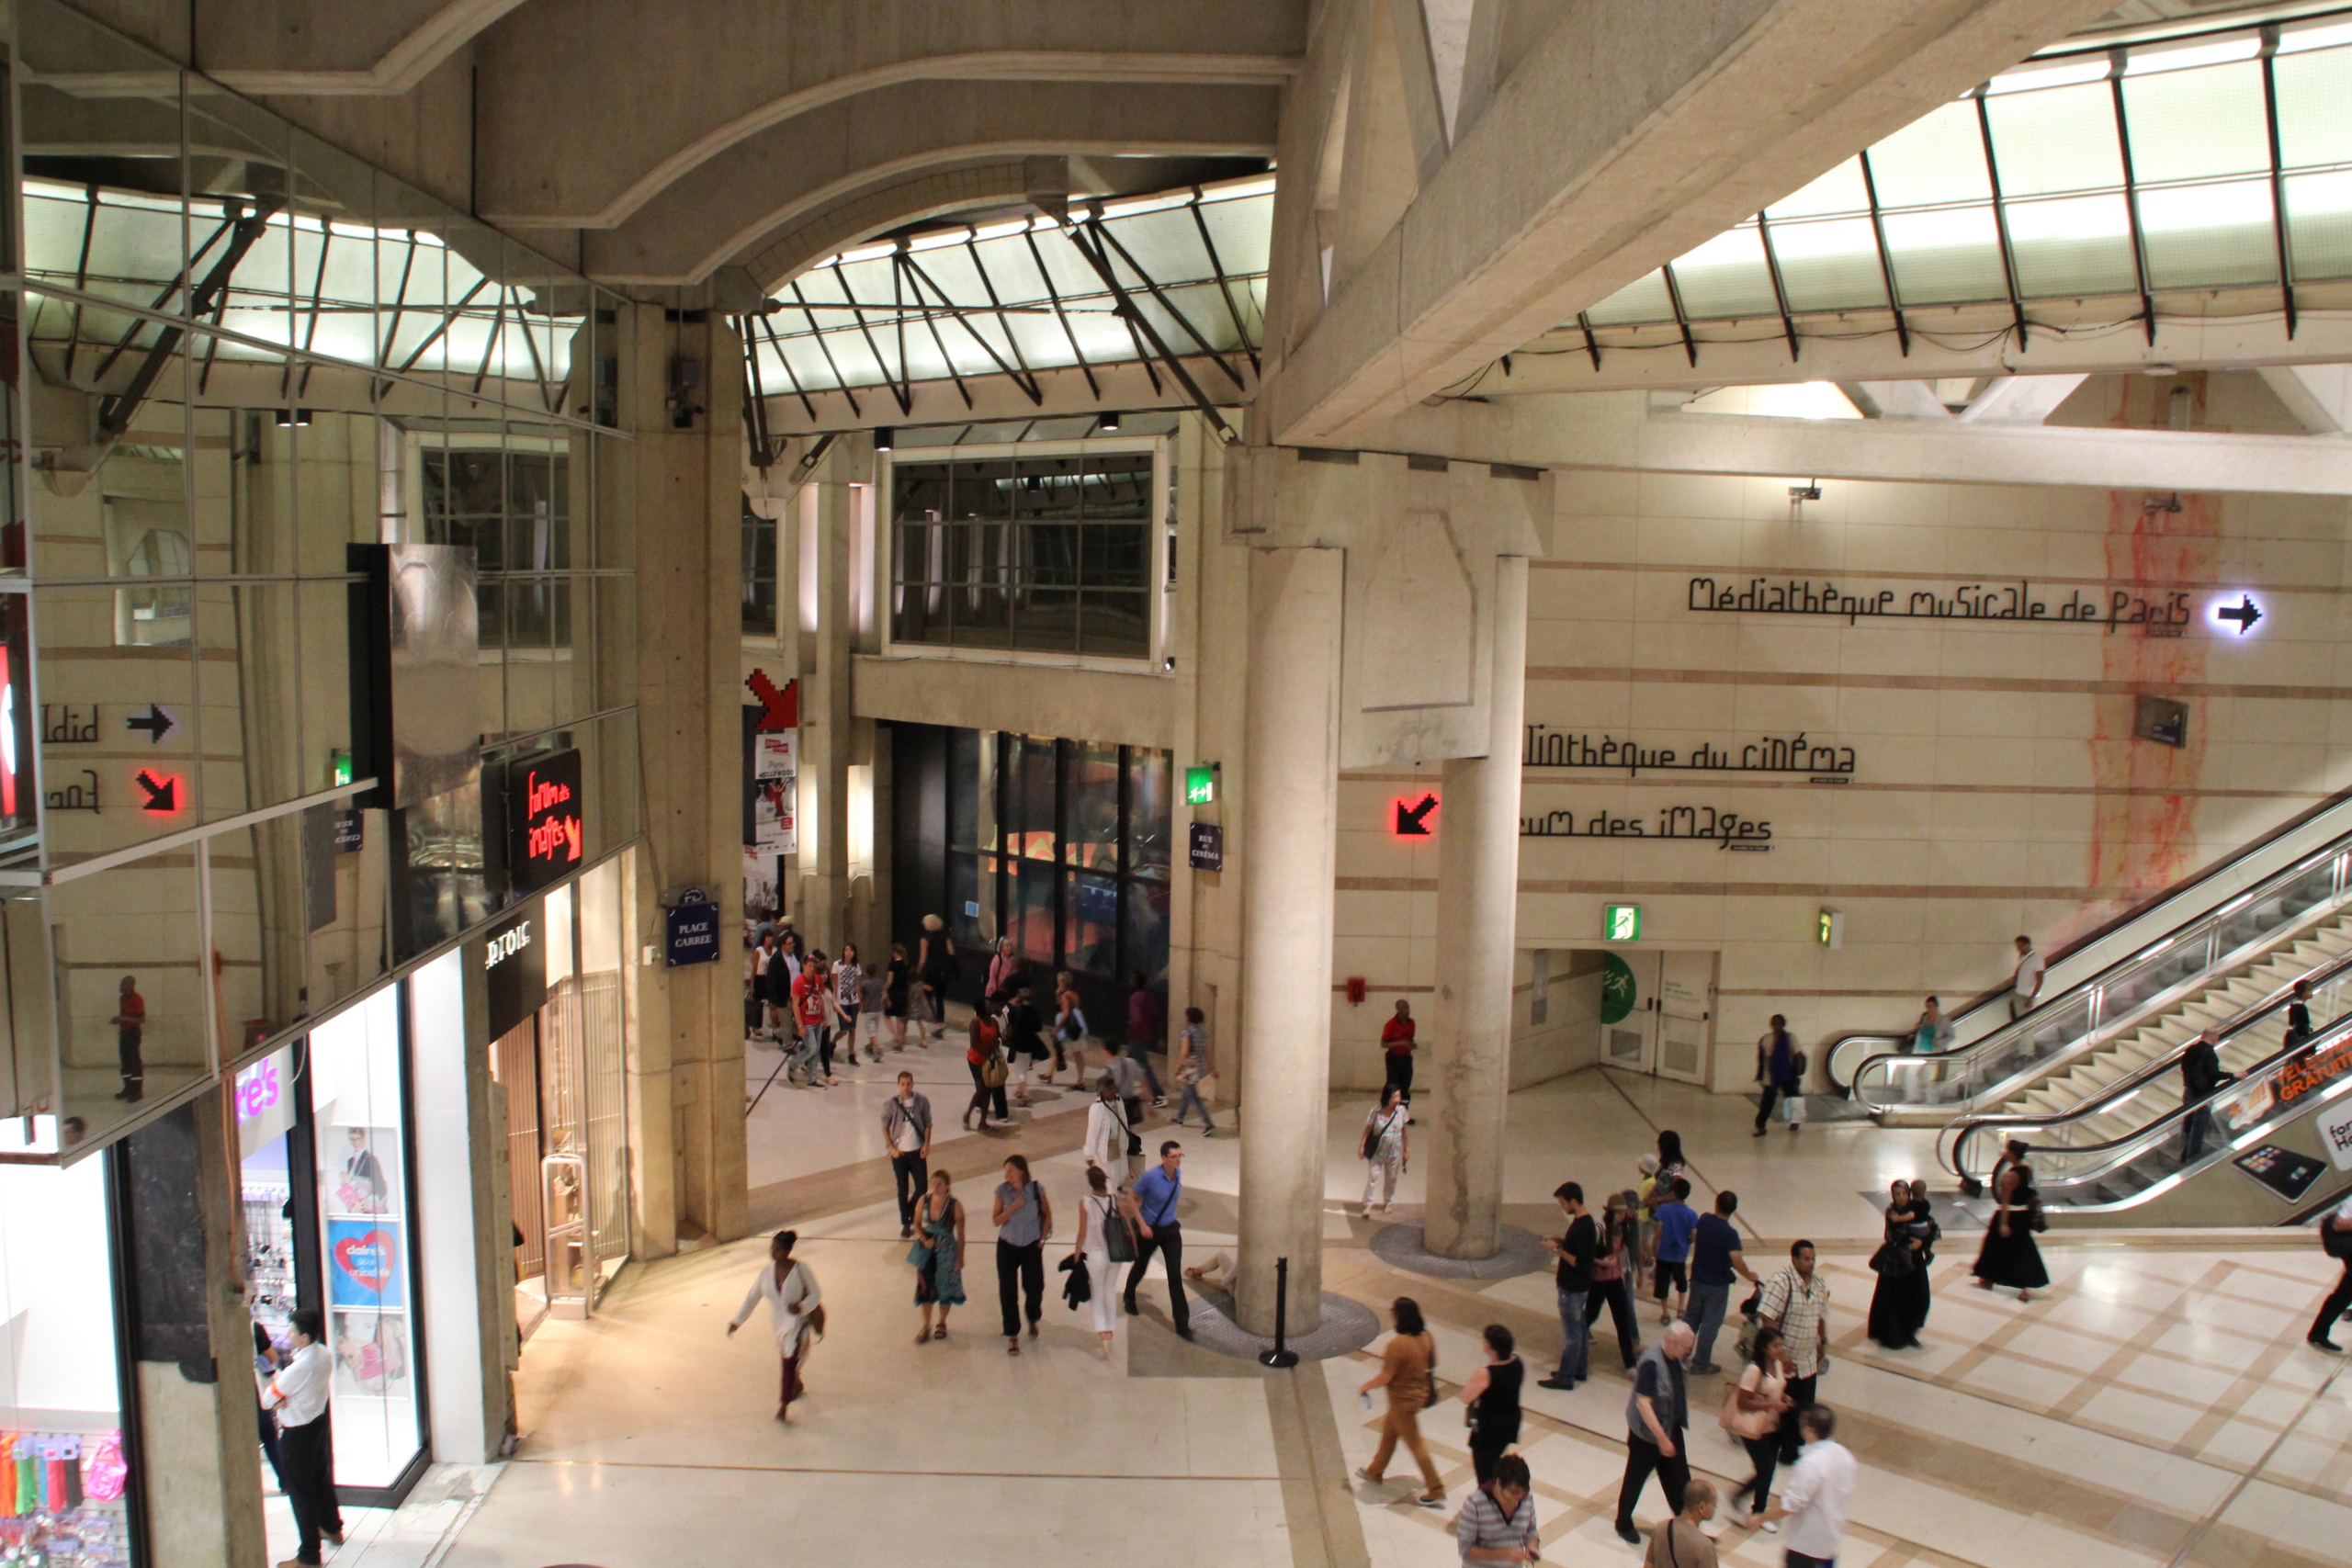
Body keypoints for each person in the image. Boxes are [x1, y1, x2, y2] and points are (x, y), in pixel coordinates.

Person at [261, 1307, 343, 1566]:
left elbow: (267, 1400)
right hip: (317, 1425)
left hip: (297, 1434)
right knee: (320, 1478)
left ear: (304, 1337)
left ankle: (309, 1555)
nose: (288, 1334)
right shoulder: (325, 1354)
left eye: (292, 1330)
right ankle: (332, 1528)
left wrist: (278, 1402)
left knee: (300, 1492)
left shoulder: (297, 1369)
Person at [1354, 1296, 1445, 1508]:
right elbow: (1432, 1363)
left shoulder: (1397, 1345)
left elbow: (1386, 1376)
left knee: (1416, 1446)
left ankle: (1436, 1489)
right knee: (1389, 1433)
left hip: (1402, 1401)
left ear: (1399, 1317)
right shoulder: (1426, 1336)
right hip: (1417, 1395)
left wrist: (1366, 1386)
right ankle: (1375, 1471)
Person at [728, 1230, 823, 1422]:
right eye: (772, 1248)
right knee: (789, 1356)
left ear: (787, 1251)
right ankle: (796, 1382)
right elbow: (752, 1297)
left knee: (787, 1361)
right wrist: (737, 1321)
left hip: (797, 1324)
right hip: (778, 1325)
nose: (773, 1252)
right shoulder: (766, 1273)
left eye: (778, 1249)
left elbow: (816, 1294)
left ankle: (783, 1406)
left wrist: (802, 1307)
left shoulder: (801, 1270)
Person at [1613, 1321, 1694, 1545]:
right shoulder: (1651, 1362)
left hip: (1671, 1428)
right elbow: (1643, 1404)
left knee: (1680, 1481)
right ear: (1671, 1341)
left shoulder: (1674, 1358)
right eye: (1685, 1348)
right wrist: (1662, 1440)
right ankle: (1623, 1523)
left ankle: (1687, 1527)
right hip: (1648, 1437)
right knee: (1635, 1480)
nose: (1687, 1353)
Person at [1758, 1241, 1830, 1462]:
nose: (1811, 1263)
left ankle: (1798, 1446)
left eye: (1813, 1259)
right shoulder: (1781, 1282)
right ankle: (1785, 1448)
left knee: (1804, 1406)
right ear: (1794, 1259)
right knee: (1783, 1406)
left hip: (1807, 1359)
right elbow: (1768, 1318)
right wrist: (1780, 1355)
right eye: (1806, 1259)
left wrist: (1821, 1343)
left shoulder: (1818, 1282)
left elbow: (1820, 1314)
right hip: (1784, 1358)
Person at [1757, 1405, 1857, 1567]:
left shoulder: (1810, 1464)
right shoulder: (1845, 1456)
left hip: (1806, 1545)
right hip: (1830, 1540)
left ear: (1811, 1431)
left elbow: (1792, 1504)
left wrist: (1761, 1518)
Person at [1722, 1325, 1792, 1530]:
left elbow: (1777, 1389)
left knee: (1767, 1470)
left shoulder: (1777, 1365)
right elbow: (1743, 1402)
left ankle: (1750, 1504)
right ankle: (1753, 1507)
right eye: (1775, 1345)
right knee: (1766, 1468)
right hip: (1754, 1427)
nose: (1779, 1349)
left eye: (1781, 1345)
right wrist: (1772, 1404)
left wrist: (1785, 1398)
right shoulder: (1754, 1370)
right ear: (1763, 1347)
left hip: (1773, 1424)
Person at [1685, 1189, 1758, 1373]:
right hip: (1717, 1285)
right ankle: (1701, 1363)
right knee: (1710, 1324)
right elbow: (1736, 1259)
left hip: (1697, 1279)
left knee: (1691, 1319)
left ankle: (1678, 1353)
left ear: (1716, 1204)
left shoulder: (1704, 1220)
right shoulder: (1729, 1233)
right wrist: (1749, 1275)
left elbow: (1694, 1236)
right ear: (1734, 1210)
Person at [1125, 1139, 1191, 1338]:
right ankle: (1129, 1295)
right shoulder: (1150, 1177)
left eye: (1180, 1156)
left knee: (1174, 1276)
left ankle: (1182, 1323)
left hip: (1170, 1230)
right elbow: (1130, 1198)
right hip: (1150, 1230)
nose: (1178, 1160)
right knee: (1141, 1265)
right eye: (1173, 1157)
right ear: (1163, 1158)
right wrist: (1142, 1225)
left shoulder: (1178, 1173)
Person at [1537, 1180, 1597, 1391]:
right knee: (1579, 1328)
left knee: (1572, 1334)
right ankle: (1578, 1368)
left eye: (1563, 1203)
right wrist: (1561, 1241)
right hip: (1578, 1287)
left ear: (1573, 1201)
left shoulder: (1584, 1227)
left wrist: (1556, 1250)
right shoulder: (1583, 1224)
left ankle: (1565, 1377)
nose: (1562, 1207)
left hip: (1572, 1287)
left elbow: (1578, 1261)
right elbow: (1577, 1248)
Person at [992, 1155, 1053, 1355]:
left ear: (1021, 1171)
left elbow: (1047, 1213)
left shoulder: (1036, 1189)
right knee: (1008, 1291)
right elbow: (996, 1220)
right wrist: (1012, 1208)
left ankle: (1033, 1316)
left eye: (1010, 1170)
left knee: (1035, 1287)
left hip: (1031, 1245)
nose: (1007, 1175)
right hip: (1007, 1247)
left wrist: (1042, 1240)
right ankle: (1012, 1334)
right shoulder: (1002, 1191)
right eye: (1006, 1171)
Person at [1868, 1180, 1937, 1349]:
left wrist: (1922, 1243)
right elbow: (1893, 1234)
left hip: (1914, 1261)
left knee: (1920, 1297)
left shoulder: (1917, 1208)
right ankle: (1894, 1334)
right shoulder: (1892, 1211)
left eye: (1904, 1193)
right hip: (1896, 1263)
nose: (1901, 1197)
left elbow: (1932, 1227)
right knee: (1894, 1300)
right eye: (1897, 1194)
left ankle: (1910, 1331)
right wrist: (1911, 1241)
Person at [1070, 1165, 1128, 1359]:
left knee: (1097, 1293)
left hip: (1095, 1255)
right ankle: (1111, 1331)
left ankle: (1102, 1332)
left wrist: (1077, 1253)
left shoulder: (1085, 1203)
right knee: (1110, 1290)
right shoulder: (1114, 1200)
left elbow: (1082, 1231)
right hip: (1114, 1254)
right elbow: (1123, 1222)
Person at [1586, 1189, 1645, 1371]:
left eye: (1623, 1211)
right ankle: (1576, 1341)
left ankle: (1630, 1364)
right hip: (1599, 1280)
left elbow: (1626, 1252)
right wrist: (1602, 1262)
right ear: (1611, 1212)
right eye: (1619, 1212)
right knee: (1590, 1314)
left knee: (1622, 1320)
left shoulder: (1626, 1228)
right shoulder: (1600, 1229)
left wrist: (1627, 1271)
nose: (1623, 1215)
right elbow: (1587, 1255)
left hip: (1616, 1279)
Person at [1971, 1162, 2048, 1303]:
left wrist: (2004, 1223)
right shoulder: (2027, 1170)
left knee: (1995, 1248)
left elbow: (2005, 1201)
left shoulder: (2009, 1176)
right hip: (2024, 1216)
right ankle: (2020, 1285)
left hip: (2011, 1216)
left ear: (2012, 1154)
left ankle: (1989, 1278)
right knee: (2024, 1250)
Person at [1458, 1325, 1524, 1484]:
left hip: (1489, 1427)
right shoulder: (1517, 1363)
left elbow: (1465, 1397)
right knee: (1495, 1462)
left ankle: (1490, 1503)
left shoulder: (1486, 1373)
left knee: (1485, 1470)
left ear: (1491, 1346)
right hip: (1510, 1421)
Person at [1456, 1452, 1539, 1565]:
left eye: (1522, 1493)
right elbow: (1465, 1550)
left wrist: (1532, 1546)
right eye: (1513, 1492)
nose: (1518, 1498)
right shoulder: (1474, 1504)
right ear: (1499, 1483)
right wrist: (1503, 1554)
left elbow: (1531, 1530)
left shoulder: (1526, 1498)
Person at [911, 1170, 967, 1341]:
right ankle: (926, 1325)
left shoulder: (955, 1205)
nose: (936, 1186)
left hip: (947, 1251)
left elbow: (961, 1234)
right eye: (933, 1182)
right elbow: (916, 1223)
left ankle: (941, 1322)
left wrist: (959, 1257)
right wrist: (923, 1238)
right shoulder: (924, 1201)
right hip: (926, 1250)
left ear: (947, 1186)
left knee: (945, 1286)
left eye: (940, 1183)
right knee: (925, 1286)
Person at [882, 1072, 933, 1239]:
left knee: (922, 1187)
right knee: (902, 1188)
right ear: (898, 1085)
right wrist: (891, 1148)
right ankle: (906, 1223)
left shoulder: (921, 1101)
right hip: (900, 1153)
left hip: (917, 1150)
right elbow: (885, 1126)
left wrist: (926, 1144)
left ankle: (910, 1213)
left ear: (913, 1084)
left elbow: (927, 1124)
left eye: (909, 1083)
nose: (906, 1087)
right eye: (903, 1084)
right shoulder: (891, 1104)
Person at [2180, 1025, 2233, 1162]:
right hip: (2203, 1094)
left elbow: (2184, 1067)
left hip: (2189, 1091)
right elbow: (2214, 1074)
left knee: (2189, 1123)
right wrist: (2233, 1075)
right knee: (2199, 1126)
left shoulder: (2191, 1050)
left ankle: (2184, 1153)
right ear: (2215, 1039)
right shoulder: (2209, 1053)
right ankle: (2193, 1156)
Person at [2307, 1194, 2352, 1351]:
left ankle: (2318, 1334)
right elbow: (2339, 1225)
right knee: (2343, 1294)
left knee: (2344, 1294)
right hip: (2347, 1245)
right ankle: (2318, 1334)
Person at [1651, 1178, 1698, 1325]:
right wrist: (1688, 1242)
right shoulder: (1691, 1214)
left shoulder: (1664, 1209)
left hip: (1663, 1253)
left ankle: (1665, 1313)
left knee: (1662, 1283)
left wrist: (1654, 1245)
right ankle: (1681, 1308)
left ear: (1673, 1193)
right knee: (1681, 1281)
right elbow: (1694, 1235)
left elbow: (1658, 1229)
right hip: (1680, 1254)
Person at [1645, 1478, 1719, 1568]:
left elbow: (1649, 1563)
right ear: (1701, 1507)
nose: (1716, 1507)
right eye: (1713, 1503)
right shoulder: (1704, 1546)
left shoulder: (1661, 1527)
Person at [1361, 1085, 1410, 1216]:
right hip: (1377, 1153)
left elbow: (1404, 1132)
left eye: (1399, 1096)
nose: (1398, 1100)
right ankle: (1368, 1205)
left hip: (1394, 1153)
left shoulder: (1401, 1111)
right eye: (1395, 1097)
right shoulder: (1376, 1111)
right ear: (1387, 1097)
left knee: (1391, 1179)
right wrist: (1362, 1146)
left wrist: (1405, 1150)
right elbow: (1368, 1130)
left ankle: (1388, 1202)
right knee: (1373, 1177)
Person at [963, 996, 1009, 1130]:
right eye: (988, 1004)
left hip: (990, 1060)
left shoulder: (994, 1021)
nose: (991, 1005)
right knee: (981, 1090)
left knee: (987, 1090)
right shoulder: (976, 1022)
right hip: (976, 1060)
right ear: (983, 1008)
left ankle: (982, 1122)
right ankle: (968, 1114)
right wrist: (989, 1054)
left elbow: (997, 1037)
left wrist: (1002, 1039)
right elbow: (974, 1044)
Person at [796, 952, 839, 1086]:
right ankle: (826, 1073)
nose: (824, 976)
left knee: (817, 1049)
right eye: (810, 966)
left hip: (822, 1022)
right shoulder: (803, 984)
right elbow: (798, 1005)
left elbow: (828, 1003)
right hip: (810, 1022)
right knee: (816, 1048)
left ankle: (810, 1072)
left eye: (826, 973)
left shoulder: (825, 987)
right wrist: (801, 1025)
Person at [1172, 1007, 1216, 1134]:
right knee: (1186, 1093)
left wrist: (1178, 1066)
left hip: (1189, 1067)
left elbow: (1184, 1052)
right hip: (1199, 1066)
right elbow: (1207, 1051)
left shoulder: (1187, 1033)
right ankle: (1180, 1117)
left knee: (1194, 1096)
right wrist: (1213, 1067)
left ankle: (1208, 1122)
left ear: (1189, 1018)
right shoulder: (1203, 1033)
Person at [1125, 974, 1166, 1107]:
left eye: (1132, 979)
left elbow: (1137, 1019)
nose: (1130, 981)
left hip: (1137, 1036)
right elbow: (1157, 1016)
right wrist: (1159, 1037)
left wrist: (1130, 1031)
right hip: (1147, 1035)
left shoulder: (1135, 999)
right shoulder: (1149, 997)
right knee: (1132, 1064)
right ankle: (1125, 1092)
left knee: (1141, 1066)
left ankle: (1158, 1094)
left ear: (1136, 982)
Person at [1002, 984, 1046, 1108]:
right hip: (1029, 1042)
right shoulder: (1035, 1012)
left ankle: (1023, 1091)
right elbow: (1038, 1028)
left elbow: (1008, 1024)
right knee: (1023, 1067)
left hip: (1016, 1042)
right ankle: (1021, 1089)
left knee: (1019, 1067)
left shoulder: (1014, 1011)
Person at [1754, 1014, 1798, 1135]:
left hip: (1787, 1073)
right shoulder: (1766, 1039)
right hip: (1770, 1074)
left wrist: (1797, 1071)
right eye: (1774, 1023)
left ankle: (1795, 1121)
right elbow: (1762, 1059)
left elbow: (1797, 1054)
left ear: (1784, 1024)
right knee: (1767, 1102)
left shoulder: (1790, 1038)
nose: (1776, 1026)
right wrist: (1761, 1075)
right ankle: (1761, 1126)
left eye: (1779, 1023)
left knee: (1792, 1098)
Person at [1083, 1073, 1133, 1175]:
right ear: (1102, 1091)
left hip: (1121, 1145)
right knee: (1110, 1177)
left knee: (1121, 1173)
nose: (1113, 1091)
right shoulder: (1097, 1108)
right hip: (1107, 1147)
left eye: (1114, 1088)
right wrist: (1089, 1154)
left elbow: (1124, 1121)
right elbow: (1092, 1132)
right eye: (1110, 1089)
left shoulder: (1118, 1102)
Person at [916, 914, 956, 1042]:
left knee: (927, 997)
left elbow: (922, 959)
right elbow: (951, 953)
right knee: (940, 998)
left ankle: (932, 1021)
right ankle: (940, 1024)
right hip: (943, 972)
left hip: (930, 972)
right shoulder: (945, 936)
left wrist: (917, 972)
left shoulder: (925, 939)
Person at [1104, 1041, 1148, 1156]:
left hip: (1116, 1106)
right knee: (1125, 1132)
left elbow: (1108, 1091)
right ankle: (1127, 1157)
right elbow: (1143, 1081)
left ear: (1106, 1051)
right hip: (1130, 1105)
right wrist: (1149, 1102)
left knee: (1114, 1135)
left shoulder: (1110, 1068)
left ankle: (1118, 1161)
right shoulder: (1132, 1062)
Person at [832, 942, 870, 1064]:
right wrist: (834, 1001)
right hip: (841, 1000)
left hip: (853, 1000)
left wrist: (859, 1000)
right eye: (847, 950)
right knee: (844, 1029)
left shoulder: (856, 966)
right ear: (843, 952)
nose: (849, 953)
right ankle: (832, 1043)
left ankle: (851, 1054)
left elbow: (857, 984)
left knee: (852, 1029)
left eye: (851, 950)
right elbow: (834, 983)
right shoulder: (836, 965)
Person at [111, 975, 145, 1102]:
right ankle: (128, 1088)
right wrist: (118, 1020)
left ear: (131, 986)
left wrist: (125, 1019)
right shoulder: (122, 999)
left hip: (133, 1033)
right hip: (124, 1033)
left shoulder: (137, 1000)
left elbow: (142, 1019)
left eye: (124, 985)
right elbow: (123, 1014)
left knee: (134, 1062)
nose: (121, 987)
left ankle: (137, 1090)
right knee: (125, 1063)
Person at [1381, 998, 1419, 1109]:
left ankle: (1403, 1113)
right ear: (1398, 1009)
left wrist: (1411, 1045)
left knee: (1405, 1086)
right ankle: (1386, 1110)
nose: (1407, 1011)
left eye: (1408, 1008)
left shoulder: (1411, 1023)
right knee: (1392, 1085)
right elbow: (1383, 1044)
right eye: (1404, 1008)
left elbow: (1410, 1039)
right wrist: (1400, 1043)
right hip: (1394, 1058)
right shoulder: (1391, 1024)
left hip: (1406, 1058)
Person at [1051, 970, 1087, 1083]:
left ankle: (1080, 1081)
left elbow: (1065, 1013)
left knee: (1063, 1049)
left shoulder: (1065, 996)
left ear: (1062, 983)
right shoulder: (1074, 995)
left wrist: (1057, 1028)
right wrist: (1058, 994)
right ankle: (1049, 1074)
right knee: (1074, 1052)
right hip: (1076, 1026)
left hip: (1068, 1027)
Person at [884, 942, 913, 1050]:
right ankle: (900, 1044)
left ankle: (896, 1037)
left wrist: (884, 990)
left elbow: (889, 981)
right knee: (900, 1019)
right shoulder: (906, 965)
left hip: (894, 993)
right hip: (904, 993)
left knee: (887, 1017)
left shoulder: (892, 965)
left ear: (894, 953)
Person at [2011, 934, 2045, 1020]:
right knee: (2019, 1019)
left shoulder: (2037, 959)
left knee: (2026, 1021)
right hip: (2019, 992)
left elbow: (2040, 980)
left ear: (2026, 945)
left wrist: (2031, 998)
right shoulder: (2022, 957)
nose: (2018, 949)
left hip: (2028, 995)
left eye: (2019, 947)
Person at [2286, 977, 2315, 1048]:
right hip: (2301, 1041)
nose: (2311, 993)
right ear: (2302, 993)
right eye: (2309, 990)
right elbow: (2302, 1027)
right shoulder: (2301, 1008)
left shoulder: (2293, 1006)